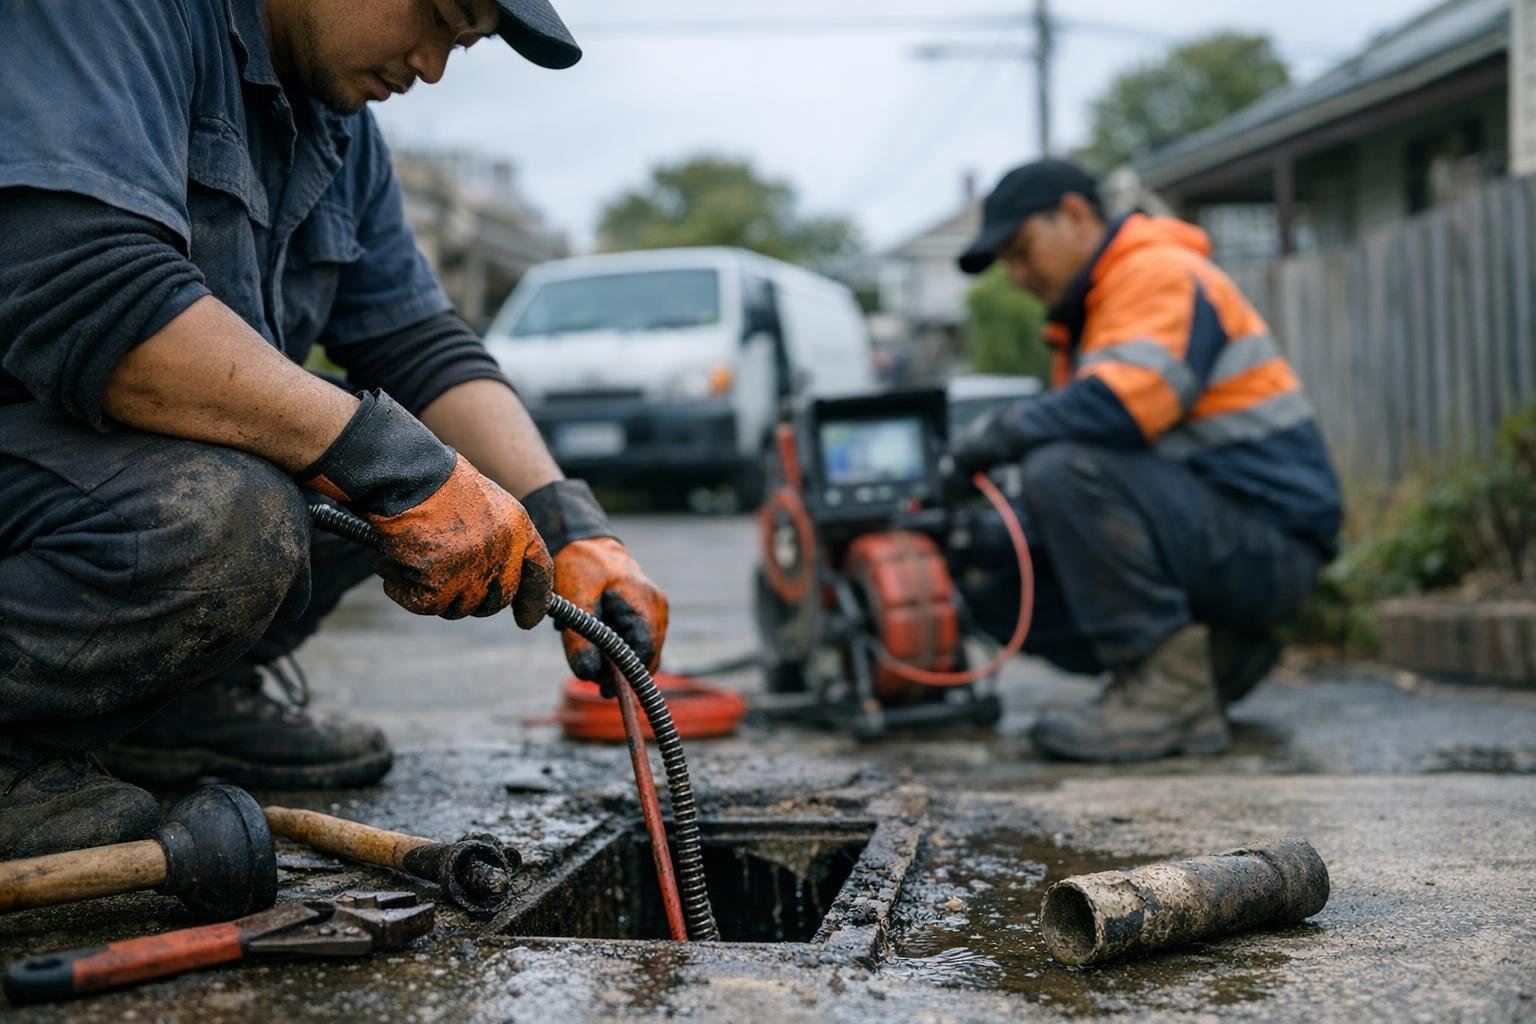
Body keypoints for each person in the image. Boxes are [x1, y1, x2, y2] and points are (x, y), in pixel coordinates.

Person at [0, 0, 668, 858]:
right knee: (236, 510)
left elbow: (417, 345)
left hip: (71, 477)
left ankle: (172, 703)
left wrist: (571, 525)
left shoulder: (338, 129)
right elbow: (90, 293)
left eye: (463, 47)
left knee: (415, 467)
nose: (431, 67)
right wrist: (390, 463)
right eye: (438, 17)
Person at [950, 159, 1341, 763]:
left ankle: (1171, 699)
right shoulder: (1099, 309)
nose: (1018, 274)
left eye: (1021, 249)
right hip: (1219, 535)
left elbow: (1119, 410)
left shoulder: (1160, 272)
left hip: (1270, 542)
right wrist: (975, 542)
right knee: (996, 579)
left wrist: (996, 434)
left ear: (1075, 214)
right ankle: (1212, 662)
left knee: (1059, 467)